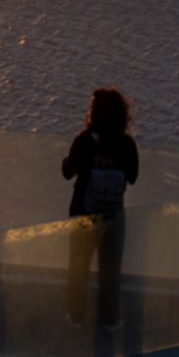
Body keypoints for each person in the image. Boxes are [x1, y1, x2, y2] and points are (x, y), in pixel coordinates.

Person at [60, 87, 140, 331]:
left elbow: (66, 172)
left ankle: (76, 316)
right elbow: (133, 176)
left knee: (79, 264)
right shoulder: (126, 143)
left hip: (83, 211)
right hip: (114, 214)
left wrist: (77, 164)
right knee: (110, 268)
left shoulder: (84, 140)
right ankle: (108, 319)